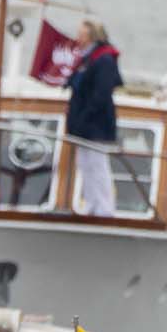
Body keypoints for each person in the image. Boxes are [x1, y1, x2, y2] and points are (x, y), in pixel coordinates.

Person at [66, 20, 123, 217]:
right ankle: (91, 203)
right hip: (83, 123)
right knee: (85, 164)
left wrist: (86, 115)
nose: (77, 39)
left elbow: (102, 93)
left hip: (96, 123)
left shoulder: (104, 59)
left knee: (98, 164)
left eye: (81, 35)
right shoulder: (86, 59)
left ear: (91, 37)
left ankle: (104, 208)